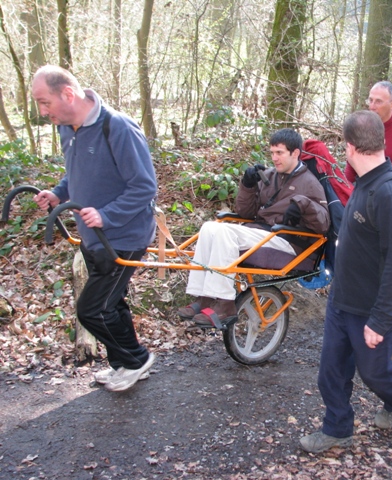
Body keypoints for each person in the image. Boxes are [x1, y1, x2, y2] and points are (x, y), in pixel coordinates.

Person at [32, 65, 157, 392]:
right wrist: (59, 193)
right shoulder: (66, 127)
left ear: (68, 94)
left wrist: (107, 215)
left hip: (124, 236)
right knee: (111, 304)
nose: (43, 112)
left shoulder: (117, 127)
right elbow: (76, 173)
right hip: (93, 238)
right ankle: (124, 365)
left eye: (45, 103)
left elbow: (144, 186)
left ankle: (136, 359)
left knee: (92, 309)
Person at [300, 111, 392, 454]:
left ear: (349, 147)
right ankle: (337, 428)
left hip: (372, 308)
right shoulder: (362, 181)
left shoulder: (391, 193)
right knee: (330, 373)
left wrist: (380, 320)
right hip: (342, 300)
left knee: (374, 373)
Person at [178, 129, 330, 327]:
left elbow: (324, 223)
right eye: (272, 153)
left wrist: (304, 205)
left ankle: (225, 304)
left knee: (224, 232)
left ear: (295, 153)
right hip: (262, 233)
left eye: (280, 153)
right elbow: (245, 212)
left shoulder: (310, 183)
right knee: (209, 227)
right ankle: (203, 297)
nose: (274, 158)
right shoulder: (269, 176)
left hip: (288, 241)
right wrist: (247, 185)